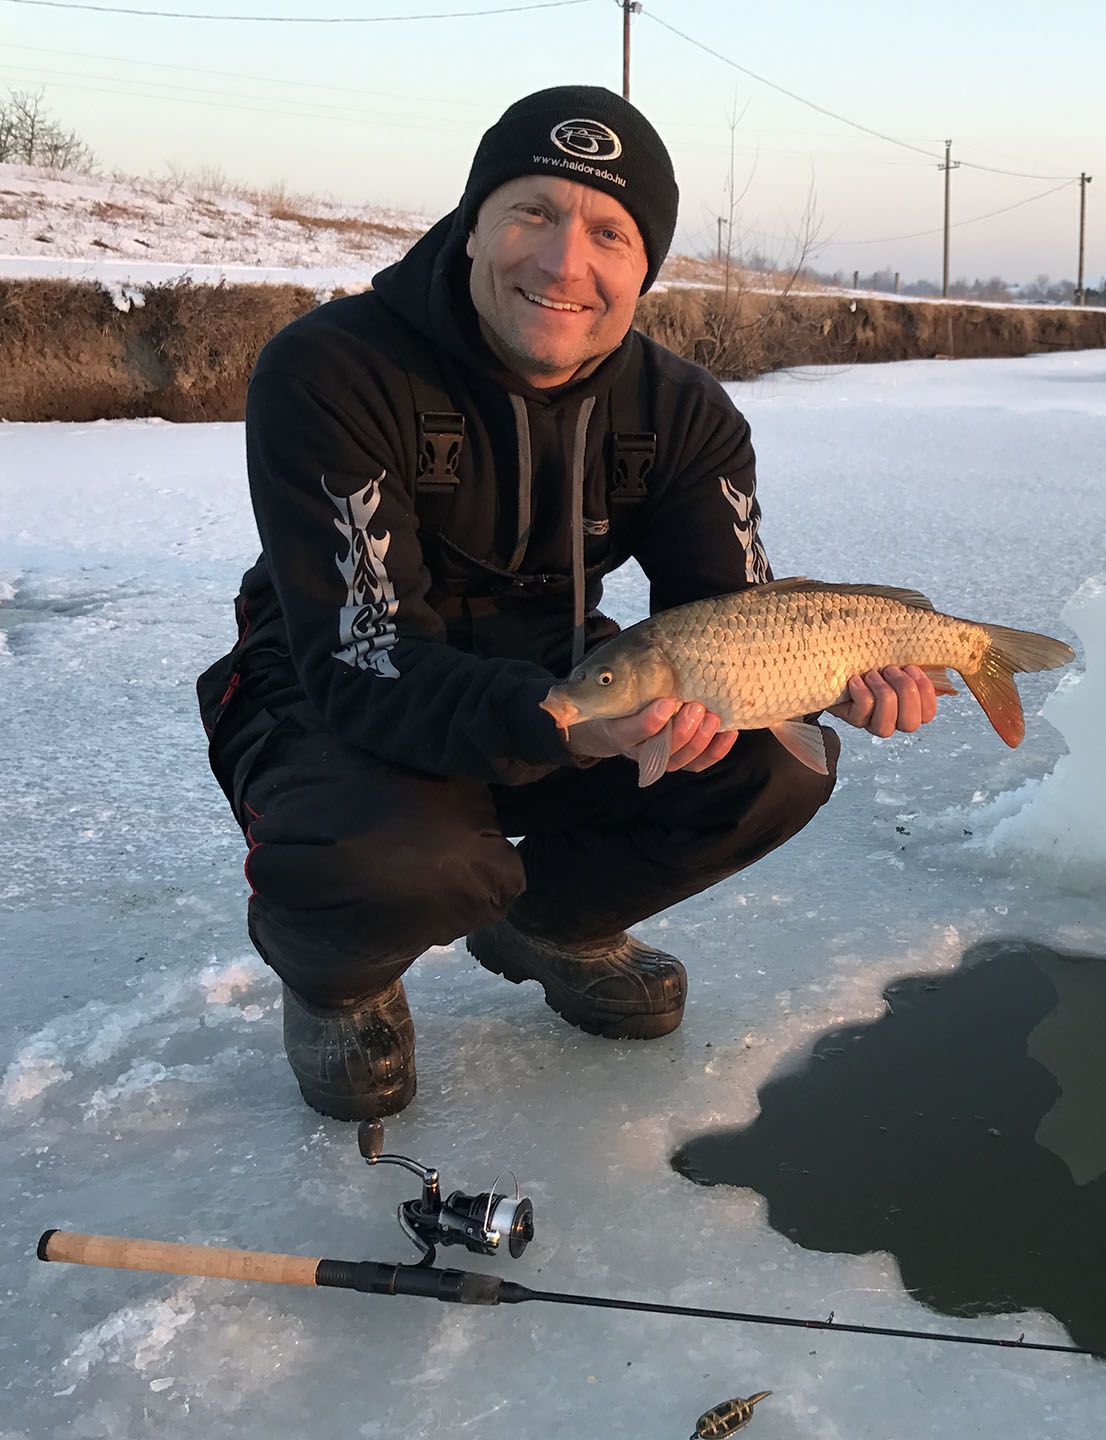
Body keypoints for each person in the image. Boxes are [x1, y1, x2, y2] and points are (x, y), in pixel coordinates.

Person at [196, 86, 938, 1122]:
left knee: (774, 766)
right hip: (338, 679)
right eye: (531, 213)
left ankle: (549, 922)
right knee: (413, 862)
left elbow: (730, 622)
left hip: (559, 667)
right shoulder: (331, 370)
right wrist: (575, 730)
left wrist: (827, 676)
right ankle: (341, 982)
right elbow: (367, 657)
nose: (563, 262)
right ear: (472, 228)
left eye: (608, 232)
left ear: (645, 266)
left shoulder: (683, 413)